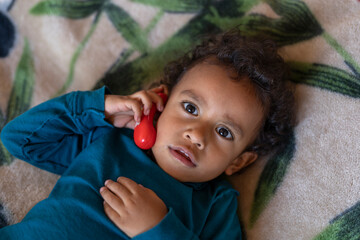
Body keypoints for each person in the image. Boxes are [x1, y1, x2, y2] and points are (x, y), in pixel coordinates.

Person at [0, 29, 294, 239]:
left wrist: (157, 229)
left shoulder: (215, 204)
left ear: (238, 162)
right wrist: (97, 109)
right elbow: (20, 139)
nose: (197, 135)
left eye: (223, 131)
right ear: (161, 102)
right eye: (190, 108)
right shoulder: (108, 139)